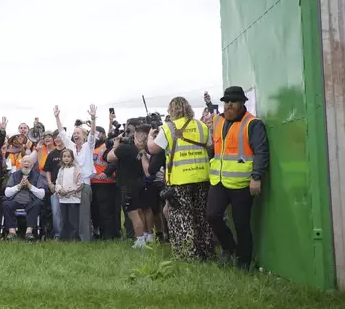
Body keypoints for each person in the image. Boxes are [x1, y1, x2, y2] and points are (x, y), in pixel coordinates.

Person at [205, 86, 269, 270]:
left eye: (233, 102)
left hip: (242, 182)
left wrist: (256, 177)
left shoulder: (253, 123)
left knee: (242, 223)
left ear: (242, 103)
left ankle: (244, 262)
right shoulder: (218, 121)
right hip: (219, 180)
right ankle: (228, 247)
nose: (229, 105)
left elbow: (261, 152)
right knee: (212, 215)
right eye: (226, 102)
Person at [147, 96, 215, 260]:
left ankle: (187, 255)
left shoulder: (168, 128)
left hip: (179, 180)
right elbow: (210, 148)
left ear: (172, 110)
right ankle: (205, 251)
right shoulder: (201, 126)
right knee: (201, 217)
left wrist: (150, 136)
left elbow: (153, 149)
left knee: (181, 218)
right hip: (203, 177)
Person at [53, 104, 97, 242]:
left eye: (78, 133)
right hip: (70, 186)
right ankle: (69, 236)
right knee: (69, 212)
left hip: (84, 183)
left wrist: (93, 118)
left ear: (84, 135)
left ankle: (84, 238)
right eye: (74, 133)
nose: (75, 135)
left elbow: (93, 134)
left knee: (83, 213)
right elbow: (61, 133)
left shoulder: (88, 146)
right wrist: (57, 117)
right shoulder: (71, 147)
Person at [107, 129, 150, 248]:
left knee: (133, 214)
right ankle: (145, 236)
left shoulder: (125, 148)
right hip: (140, 182)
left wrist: (115, 145)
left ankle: (140, 240)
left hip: (127, 185)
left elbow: (110, 157)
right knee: (140, 211)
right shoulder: (143, 149)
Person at [2, 156, 46, 240]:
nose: (26, 164)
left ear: (32, 165)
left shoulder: (37, 175)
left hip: (30, 201)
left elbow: (42, 194)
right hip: (16, 201)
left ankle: (29, 232)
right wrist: (19, 186)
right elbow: (7, 193)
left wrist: (30, 186)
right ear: (20, 164)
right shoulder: (14, 175)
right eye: (24, 162)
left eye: (28, 162)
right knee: (5, 204)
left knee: (37, 204)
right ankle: (12, 232)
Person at [55, 149, 83, 240]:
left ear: (72, 158)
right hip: (63, 198)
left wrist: (69, 191)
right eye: (64, 156)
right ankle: (64, 238)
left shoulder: (76, 169)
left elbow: (79, 184)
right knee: (64, 219)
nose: (66, 158)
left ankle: (74, 238)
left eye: (68, 156)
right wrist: (60, 189)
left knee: (73, 219)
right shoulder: (61, 169)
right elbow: (57, 182)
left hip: (73, 197)